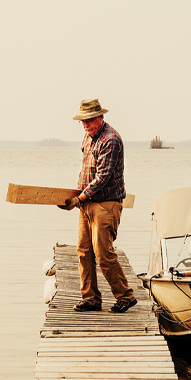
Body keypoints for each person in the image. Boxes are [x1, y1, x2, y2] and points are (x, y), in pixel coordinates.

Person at [58, 98, 138, 314]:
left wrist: (79, 198)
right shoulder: (88, 136)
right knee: (84, 251)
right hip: (87, 202)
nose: (86, 125)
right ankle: (91, 299)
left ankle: (126, 296)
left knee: (103, 254)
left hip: (106, 204)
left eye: (89, 121)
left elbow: (103, 177)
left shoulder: (110, 140)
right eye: (83, 122)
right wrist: (77, 196)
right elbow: (86, 171)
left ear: (100, 117)